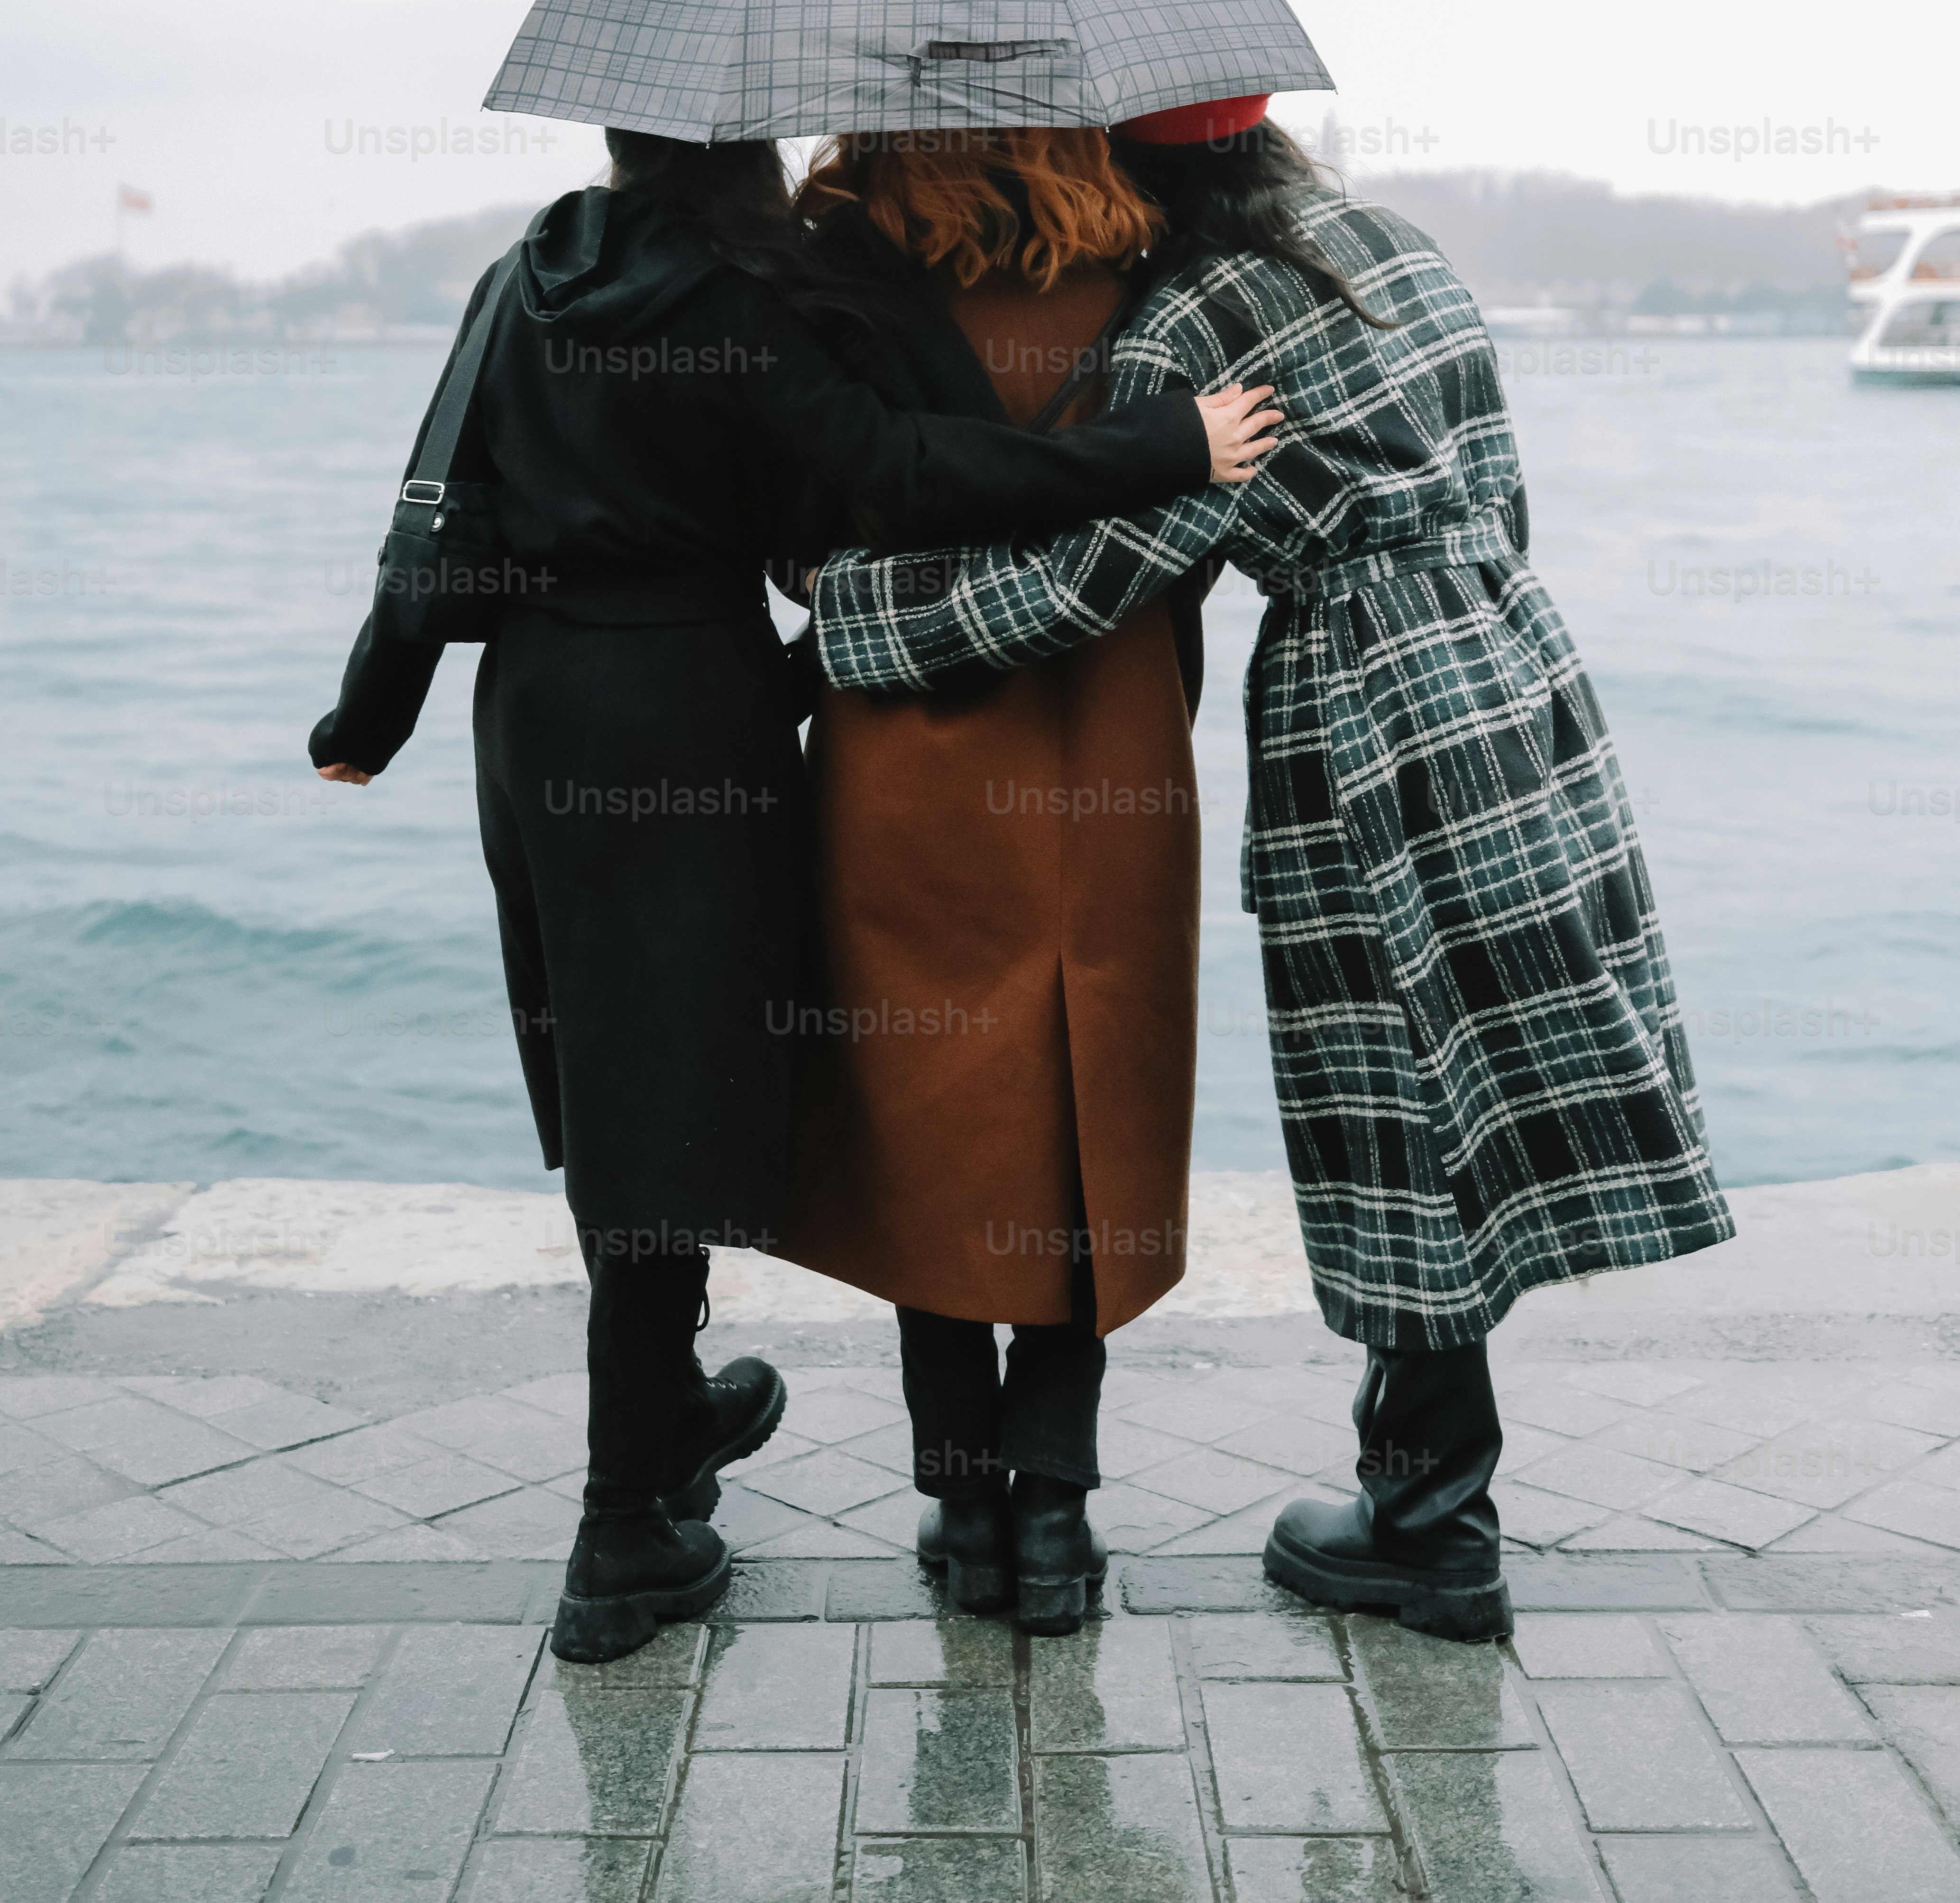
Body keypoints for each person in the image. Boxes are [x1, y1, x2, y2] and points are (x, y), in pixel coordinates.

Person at [310, 128, 1275, 1662]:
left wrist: (372, 717)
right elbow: (960, 483)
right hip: (904, 715)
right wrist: (1163, 455)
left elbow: (498, 501)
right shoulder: (1035, 280)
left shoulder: (650, 273)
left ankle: (821, 1474)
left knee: (778, 1093)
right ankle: (929, 1513)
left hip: (708, 724)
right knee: (972, 1088)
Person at [809, 99, 1736, 1644]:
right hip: (1516, 657)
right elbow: (1501, 475)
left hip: (1361, 707)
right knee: (1479, 1078)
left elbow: (1096, 574)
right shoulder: (1399, 247)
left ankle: (1434, 1529)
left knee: (1390, 1096)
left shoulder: (1189, 325)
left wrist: (852, 621)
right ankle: (1430, 1494)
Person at [770, 123, 1267, 1634]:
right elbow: (1200, 532)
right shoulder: (1153, 274)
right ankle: (1054, 1518)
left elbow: (794, 537)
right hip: (1110, 737)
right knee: (1084, 1110)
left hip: (905, 753)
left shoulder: (835, 275)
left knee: (933, 1119)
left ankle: (965, 1508)